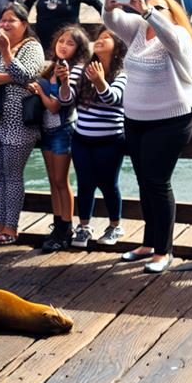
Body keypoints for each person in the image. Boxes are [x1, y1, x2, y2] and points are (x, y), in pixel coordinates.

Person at [104, 0, 192, 273]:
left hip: (172, 118)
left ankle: (164, 250)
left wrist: (147, 9)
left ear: (172, 14)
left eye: (160, 8)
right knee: (144, 182)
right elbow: (112, 21)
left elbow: (171, 37)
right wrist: (109, 5)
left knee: (158, 182)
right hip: (135, 118)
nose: (152, 11)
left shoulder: (178, 35)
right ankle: (148, 243)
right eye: (150, 7)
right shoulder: (137, 32)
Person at [0, 3, 45, 246]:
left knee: (13, 175)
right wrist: (13, 78)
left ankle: (11, 227)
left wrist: (7, 54)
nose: (5, 25)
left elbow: (28, 74)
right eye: (2, 20)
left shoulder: (32, 47)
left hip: (19, 121)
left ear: (24, 25)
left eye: (11, 21)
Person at [58, 27, 129, 249]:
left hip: (111, 139)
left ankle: (115, 225)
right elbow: (66, 100)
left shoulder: (123, 74)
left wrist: (99, 81)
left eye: (106, 37)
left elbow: (113, 99)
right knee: (85, 184)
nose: (99, 40)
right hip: (82, 138)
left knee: (109, 184)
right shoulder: (81, 71)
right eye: (97, 38)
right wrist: (63, 83)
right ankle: (84, 226)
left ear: (117, 47)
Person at [29, 25, 89, 252]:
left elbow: (56, 106)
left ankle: (66, 227)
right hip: (46, 131)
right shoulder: (53, 68)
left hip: (63, 130)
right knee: (53, 182)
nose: (63, 46)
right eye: (61, 41)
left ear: (79, 49)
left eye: (70, 43)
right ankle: (58, 224)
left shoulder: (74, 71)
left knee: (62, 181)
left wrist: (40, 92)